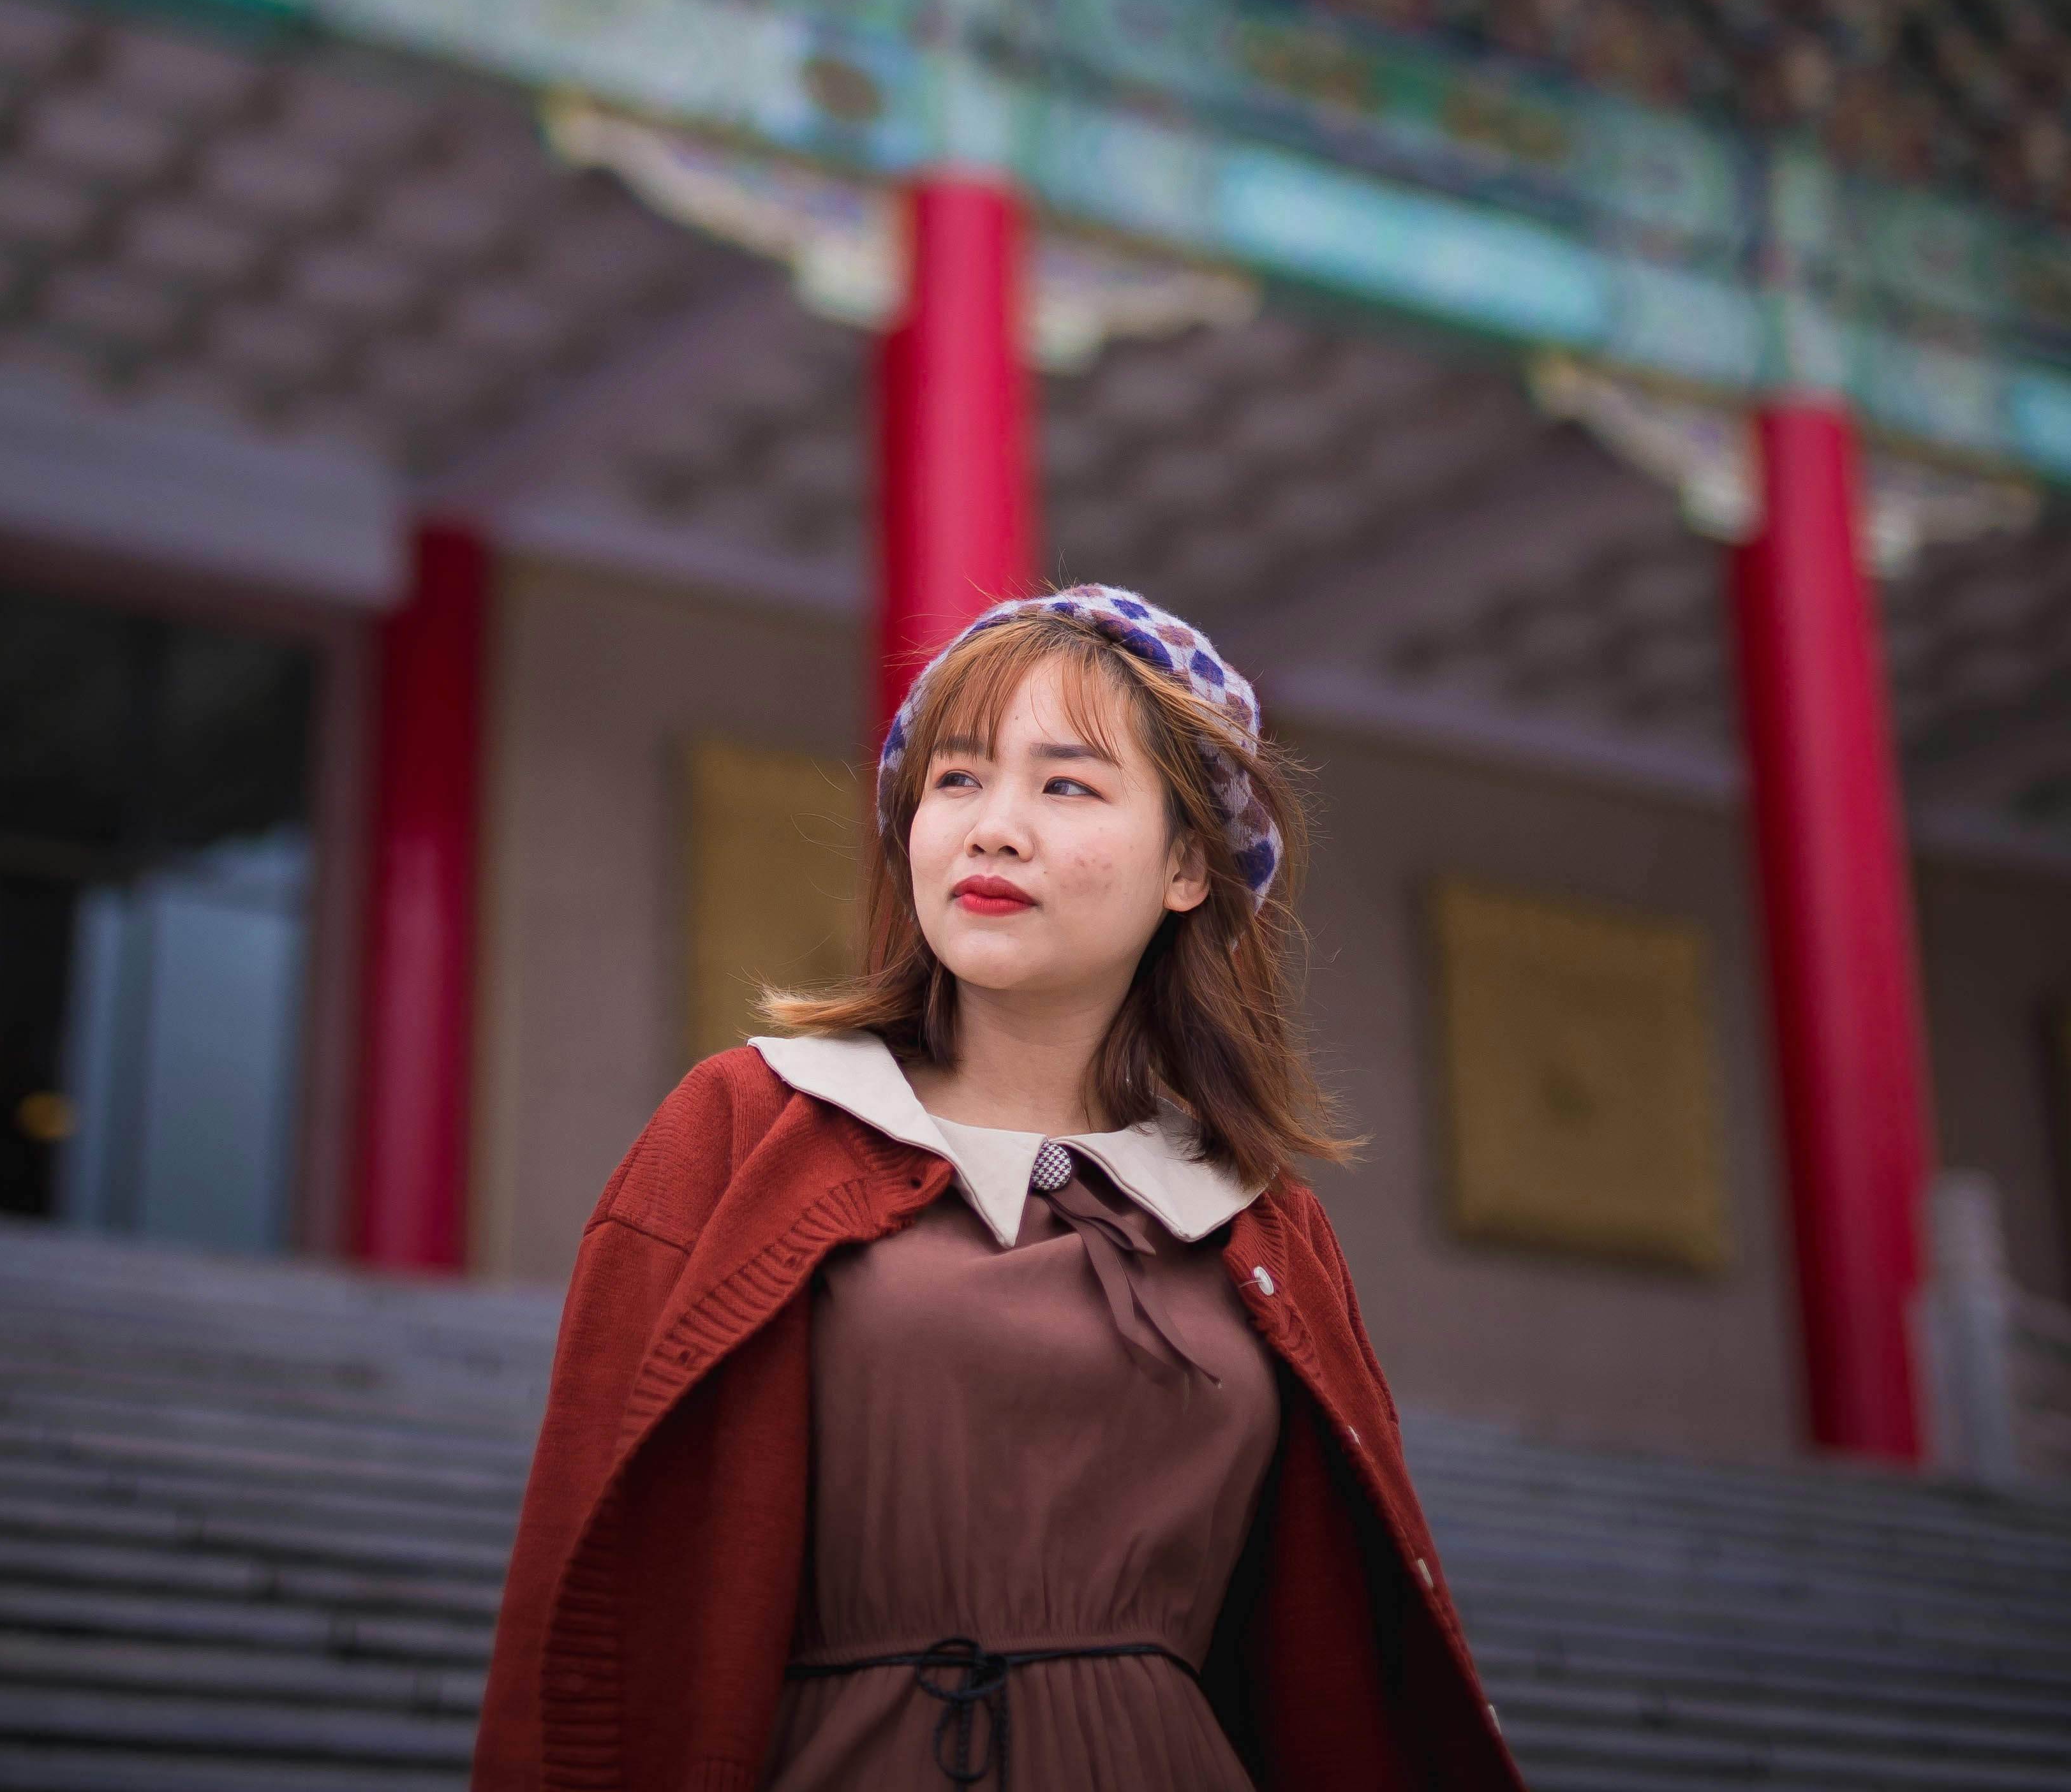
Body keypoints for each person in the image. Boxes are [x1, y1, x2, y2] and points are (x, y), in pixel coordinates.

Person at [472, 585, 1520, 1791]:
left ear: (1190, 863)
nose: (993, 828)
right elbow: (584, 1585)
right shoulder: (745, 1126)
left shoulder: (1259, 1220)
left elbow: (1343, 1662)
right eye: (957, 780)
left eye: (1065, 784)